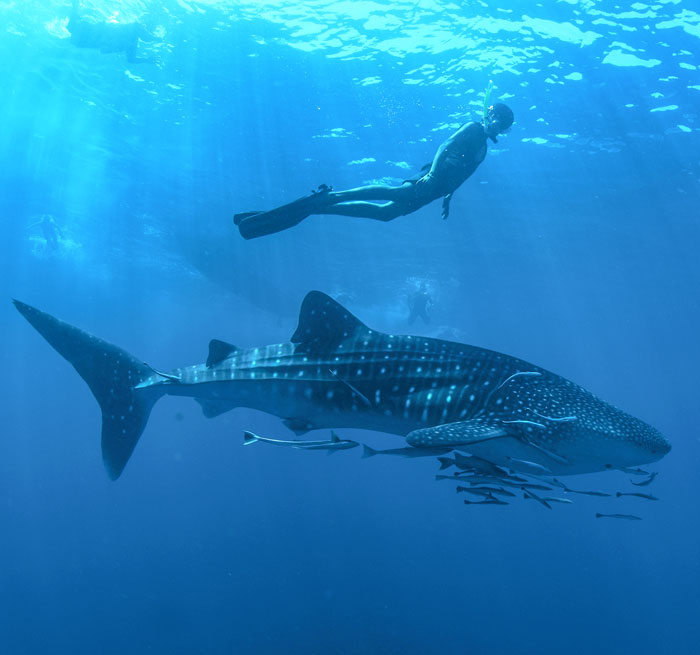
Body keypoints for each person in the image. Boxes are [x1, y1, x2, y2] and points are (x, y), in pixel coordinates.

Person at [234, 102, 514, 240]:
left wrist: (448, 197)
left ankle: (322, 206)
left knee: (385, 214)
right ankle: (332, 196)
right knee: (394, 192)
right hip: (431, 179)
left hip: (438, 189)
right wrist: (431, 175)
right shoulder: (473, 128)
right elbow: (445, 146)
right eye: (497, 120)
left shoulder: (484, 149)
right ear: (490, 116)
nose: (497, 126)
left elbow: (463, 174)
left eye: (503, 125)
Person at [67, 0, 154, 64]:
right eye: (145, 27)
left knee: (74, 30)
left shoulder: (133, 42)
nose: (144, 28)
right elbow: (132, 58)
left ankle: (75, 7)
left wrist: (147, 60)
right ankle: (75, 6)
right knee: (74, 29)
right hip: (97, 35)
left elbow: (131, 59)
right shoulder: (134, 30)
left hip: (95, 39)